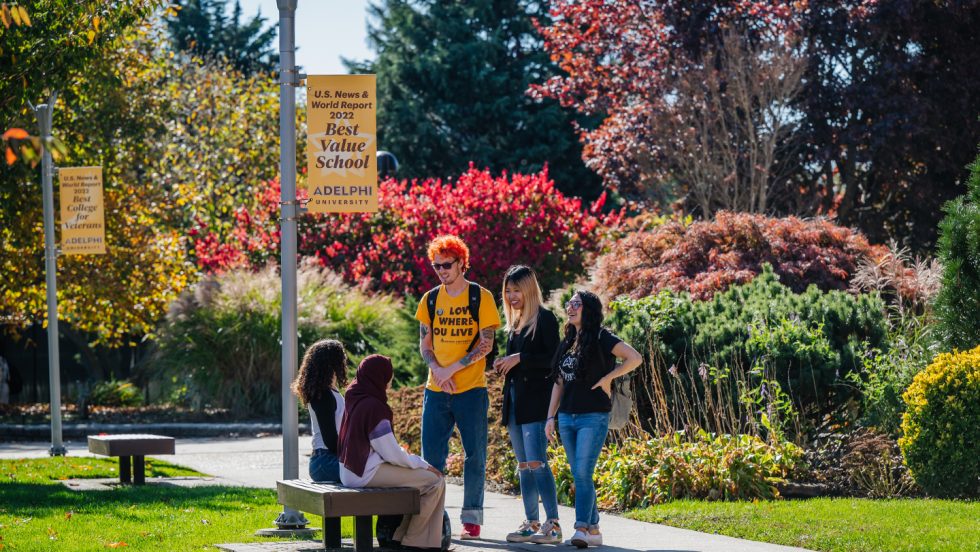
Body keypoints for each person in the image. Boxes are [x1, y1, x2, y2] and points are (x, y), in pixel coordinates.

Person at [415, 235, 500, 540]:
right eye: (436, 266)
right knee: (431, 461)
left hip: (470, 390)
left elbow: (486, 344)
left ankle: (472, 520)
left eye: (447, 265)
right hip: (436, 391)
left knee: (475, 455)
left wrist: (453, 368)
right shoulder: (430, 299)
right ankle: (433, 519)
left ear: (462, 263)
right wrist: (437, 369)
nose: (441, 270)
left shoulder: (481, 297)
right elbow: (425, 343)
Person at [544, 290, 642, 549]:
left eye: (576, 304)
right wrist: (550, 417)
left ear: (588, 308)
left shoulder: (601, 336)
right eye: (569, 304)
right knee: (579, 475)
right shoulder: (567, 341)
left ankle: (581, 529)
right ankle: (595, 527)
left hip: (593, 416)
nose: (571, 308)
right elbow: (558, 382)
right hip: (566, 417)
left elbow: (634, 358)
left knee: (582, 472)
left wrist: (609, 377)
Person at [338, 354, 446, 551]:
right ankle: (416, 542)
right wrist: (422, 463)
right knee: (434, 480)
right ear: (380, 377)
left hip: (350, 471)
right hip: (365, 473)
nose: (390, 382)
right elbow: (391, 454)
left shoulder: (355, 396)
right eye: (389, 377)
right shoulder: (374, 407)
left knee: (422, 482)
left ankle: (401, 537)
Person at [493, 265, 563, 544]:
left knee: (537, 463)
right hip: (514, 405)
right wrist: (504, 363)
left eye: (516, 290)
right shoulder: (516, 323)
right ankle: (531, 522)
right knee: (524, 465)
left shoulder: (545, 319)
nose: (511, 296)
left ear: (529, 289)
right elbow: (516, 362)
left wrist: (520, 358)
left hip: (536, 404)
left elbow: (552, 360)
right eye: (507, 291)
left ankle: (553, 524)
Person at [291, 339, 348, 482]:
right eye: (342, 357)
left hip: (329, 459)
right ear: (333, 362)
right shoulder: (323, 396)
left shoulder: (331, 392)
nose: (345, 361)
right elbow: (330, 440)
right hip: (325, 461)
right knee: (372, 472)